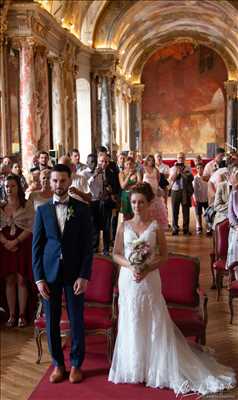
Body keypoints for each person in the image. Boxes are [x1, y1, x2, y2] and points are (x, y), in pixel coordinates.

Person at [109, 182, 236, 395]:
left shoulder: (155, 227)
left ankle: (154, 367)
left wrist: (147, 268)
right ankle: (133, 366)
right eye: (133, 202)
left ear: (149, 203)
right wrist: (131, 265)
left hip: (149, 279)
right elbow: (115, 254)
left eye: (141, 202)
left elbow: (164, 256)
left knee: (152, 319)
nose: (137, 206)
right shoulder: (124, 225)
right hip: (128, 280)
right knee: (131, 318)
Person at [32, 164, 93, 384]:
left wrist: (84, 275)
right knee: (52, 321)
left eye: (63, 181)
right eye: (55, 181)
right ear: (50, 182)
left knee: (76, 320)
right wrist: (39, 278)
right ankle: (58, 364)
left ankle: (76, 364)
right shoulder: (42, 210)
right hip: (49, 275)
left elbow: (88, 246)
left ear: (70, 181)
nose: (59, 185)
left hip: (75, 274)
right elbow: (37, 248)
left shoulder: (82, 209)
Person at [0, 174, 34, 327]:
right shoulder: (1, 206)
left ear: (18, 187)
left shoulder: (26, 204)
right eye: (7, 186)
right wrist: (6, 241)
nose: (9, 189)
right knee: (9, 279)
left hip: (22, 243)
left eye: (12, 186)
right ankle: (11, 314)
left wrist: (15, 241)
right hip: (4, 244)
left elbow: (31, 226)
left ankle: (22, 314)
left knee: (21, 278)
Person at [169, 152, 194, 235]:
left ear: (185, 158)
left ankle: (186, 229)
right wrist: (178, 172)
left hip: (185, 191)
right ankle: (175, 228)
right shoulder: (173, 168)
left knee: (186, 210)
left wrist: (182, 173)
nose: (181, 159)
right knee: (174, 210)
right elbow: (172, 179)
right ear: (177, 158)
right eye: (179, 157)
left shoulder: (188, 168)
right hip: (175, 190)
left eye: (182, 157)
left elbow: (190, 178)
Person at [143, 154, 168, 230]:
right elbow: (140, 180)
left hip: (154, 192)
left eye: (152, 160)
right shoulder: (143, 168)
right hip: (146, 192)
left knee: (157, 211)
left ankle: (156, 229)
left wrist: (156, 188)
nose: (151, 161)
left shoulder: (155, 170)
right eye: (149, 160)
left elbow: (158, 180)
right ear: (147, 160)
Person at [192, 163, 208, 234]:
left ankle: (208, 227)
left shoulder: (206, 177)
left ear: (203, 168)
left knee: (207, 213)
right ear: (196, 169)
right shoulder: (195, 178)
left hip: (206, 198)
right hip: (198, 199)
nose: (200, 169)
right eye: (198, 168)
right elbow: (194, 190)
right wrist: (195, 199)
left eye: (201, 168)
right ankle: (199, 226)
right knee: (198, 213)